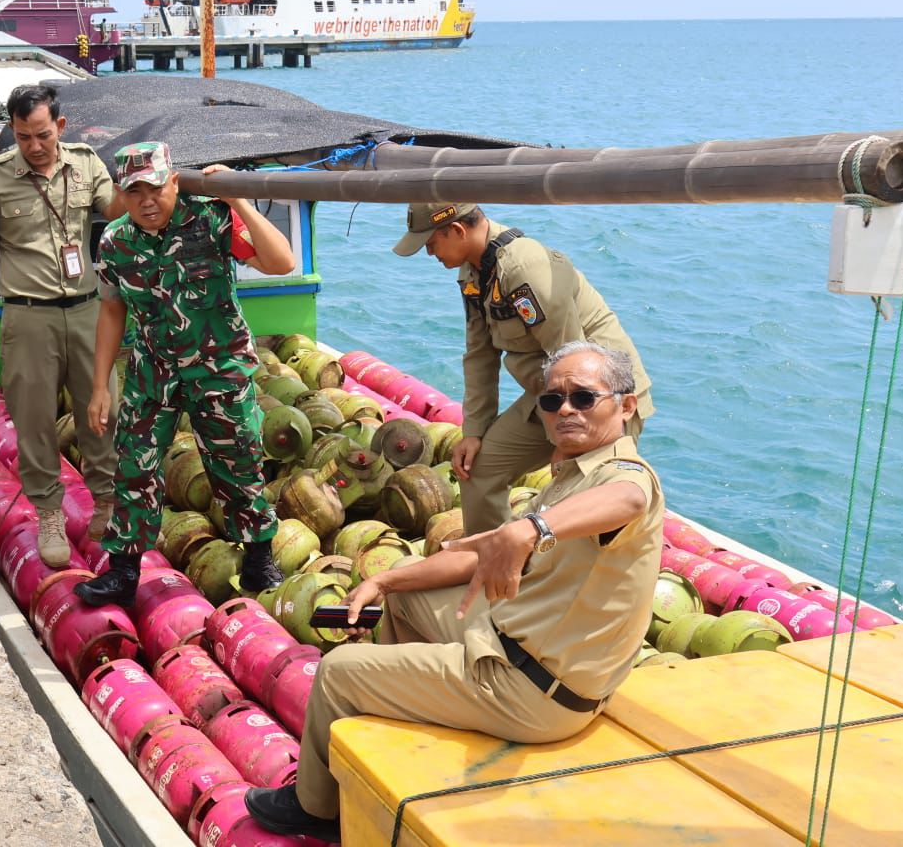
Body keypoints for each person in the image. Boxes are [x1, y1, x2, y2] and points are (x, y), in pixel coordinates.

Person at [245, 342, 664, 841]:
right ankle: (401, 725)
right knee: (405, 597)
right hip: (510, 647)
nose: (566, 410)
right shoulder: (573, 474)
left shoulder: (625, 477)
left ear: (627, 404)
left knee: (336, 673)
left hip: (532, 690)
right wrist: (383, 580)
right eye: (552, 401)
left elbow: (629, 499)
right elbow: (476, 554)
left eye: (583, 397)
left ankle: (316, 809)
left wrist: (531, 528)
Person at [73, 146, 295, 607]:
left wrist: (239, 200)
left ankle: (258, 559)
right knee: (134, 468)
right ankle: (124, 572)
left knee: (238, 465)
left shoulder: (210, 219)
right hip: (153, 374)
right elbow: (112, 310)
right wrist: (99, 387)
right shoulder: (115, 241)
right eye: (134, 192)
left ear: (173, 181)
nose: (146, 200)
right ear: (122, 194)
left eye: (155, 188)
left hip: (219, 369)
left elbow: (281, 263)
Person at [393, 202, 653, 534]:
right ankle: (490, 566)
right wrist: (473, 432)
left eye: (431, 244)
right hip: (548, 396)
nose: (429, 254)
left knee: (588, 508)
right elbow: (479, 355)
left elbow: (573, 364)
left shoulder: (523, 268)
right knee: (479, 469)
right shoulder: (474, 273)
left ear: (457, 230)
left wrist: (565, 446)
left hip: (599, 401)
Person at [0, 84, 120, 567]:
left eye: (43, 135)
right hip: (27, 315)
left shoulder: (87, 162)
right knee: (33, 421)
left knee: (103, 410)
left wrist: (143, 187)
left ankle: (107, 503)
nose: (34, 146)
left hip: (88, 310)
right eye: (23, 136)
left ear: (61, 128)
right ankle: (48, 513)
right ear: (12, 130)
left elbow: (113, 211)